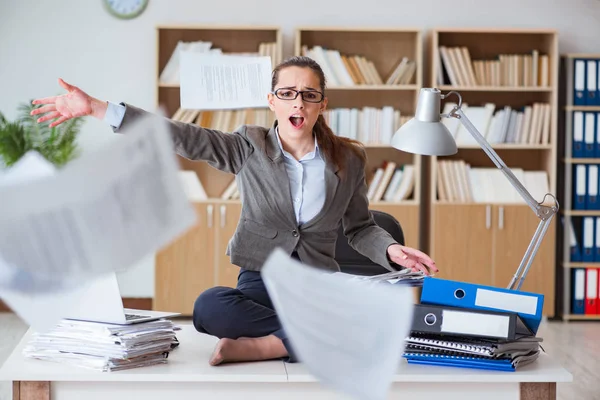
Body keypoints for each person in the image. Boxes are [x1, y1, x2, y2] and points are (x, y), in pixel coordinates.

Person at [31, 55, 438, 366]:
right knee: (209, 308)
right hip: (261, 279)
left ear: (321, 105)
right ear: (272, 101)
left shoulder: (348, 160)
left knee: (379, 318)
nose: (299, 101)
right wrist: (100, 108)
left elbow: (361, 227)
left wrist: (391, 252)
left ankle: (267, 345)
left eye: (309, 95)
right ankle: (305, 340)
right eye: (288, 93)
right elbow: (181, 136)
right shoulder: (249, 146)